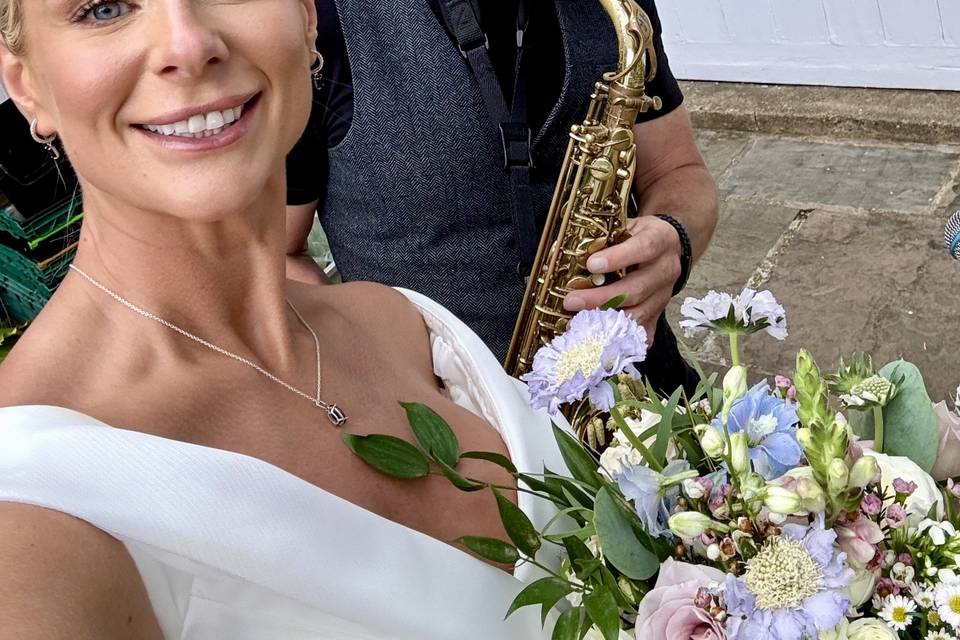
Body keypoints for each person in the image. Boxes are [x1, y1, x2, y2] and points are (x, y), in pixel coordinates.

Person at [0, 1, 571, 637]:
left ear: (305, 18)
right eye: (102, 8)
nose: (188, 46)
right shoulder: (31, 521)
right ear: (27, 85)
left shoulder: (402, 323)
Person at [285, 0, 719, 393]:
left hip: (644, 402)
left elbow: (677, 171)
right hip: (445, 432)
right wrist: (373, 374)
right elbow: (275, 255)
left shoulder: (619, 13)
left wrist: (674, 239)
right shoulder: (319, 22)